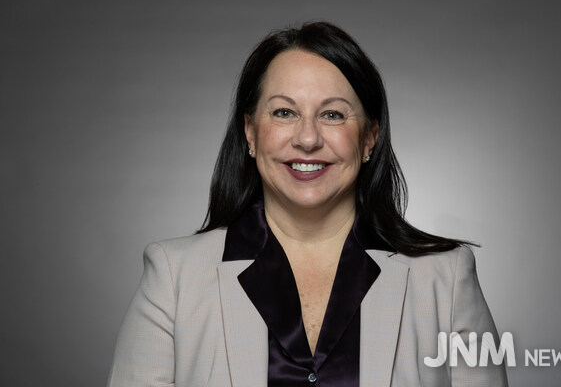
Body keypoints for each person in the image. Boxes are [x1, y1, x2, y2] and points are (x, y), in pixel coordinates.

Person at [107, 22, 508, 386]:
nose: (308, 139)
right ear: (250, 132)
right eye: (284, 112)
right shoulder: (173, 279)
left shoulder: (446, 279)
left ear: (369, 138)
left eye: (332, 115)